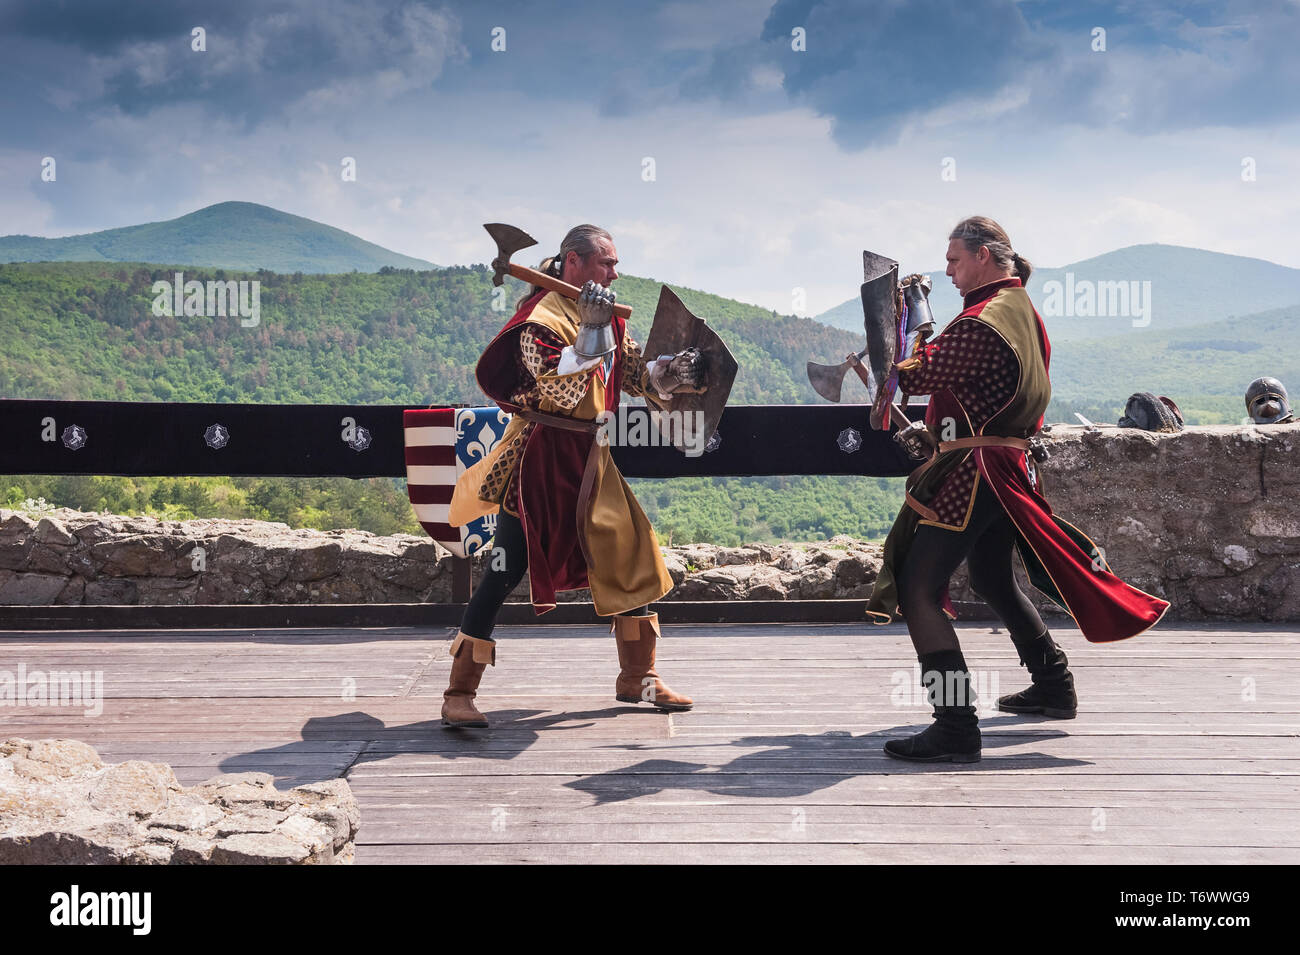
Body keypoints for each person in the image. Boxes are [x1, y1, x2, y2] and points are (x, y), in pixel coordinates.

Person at [866, 216, 1171, 762]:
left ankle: (955, 725)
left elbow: (913, 378)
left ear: (985, 256)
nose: (949, 269)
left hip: (977, 469)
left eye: (955, 258)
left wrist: (895, 329)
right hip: (1007, 466)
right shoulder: (1020, 309)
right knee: (989, 576)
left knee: (917, 591)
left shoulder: (984, 321)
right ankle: (1053, 685)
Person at [441, 224, 704, 728]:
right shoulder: (540, 320)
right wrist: (589, 329)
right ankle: (459, 692)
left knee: (634, 554)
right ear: (574, 263)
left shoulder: (605, 315)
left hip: (592, 457)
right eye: (606, 263)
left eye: (615, 263)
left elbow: (632, 375)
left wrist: (675, 372)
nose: (615, 272)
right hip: (540, 460)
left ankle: (639, 677)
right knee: (505, 568)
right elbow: (560, 393)